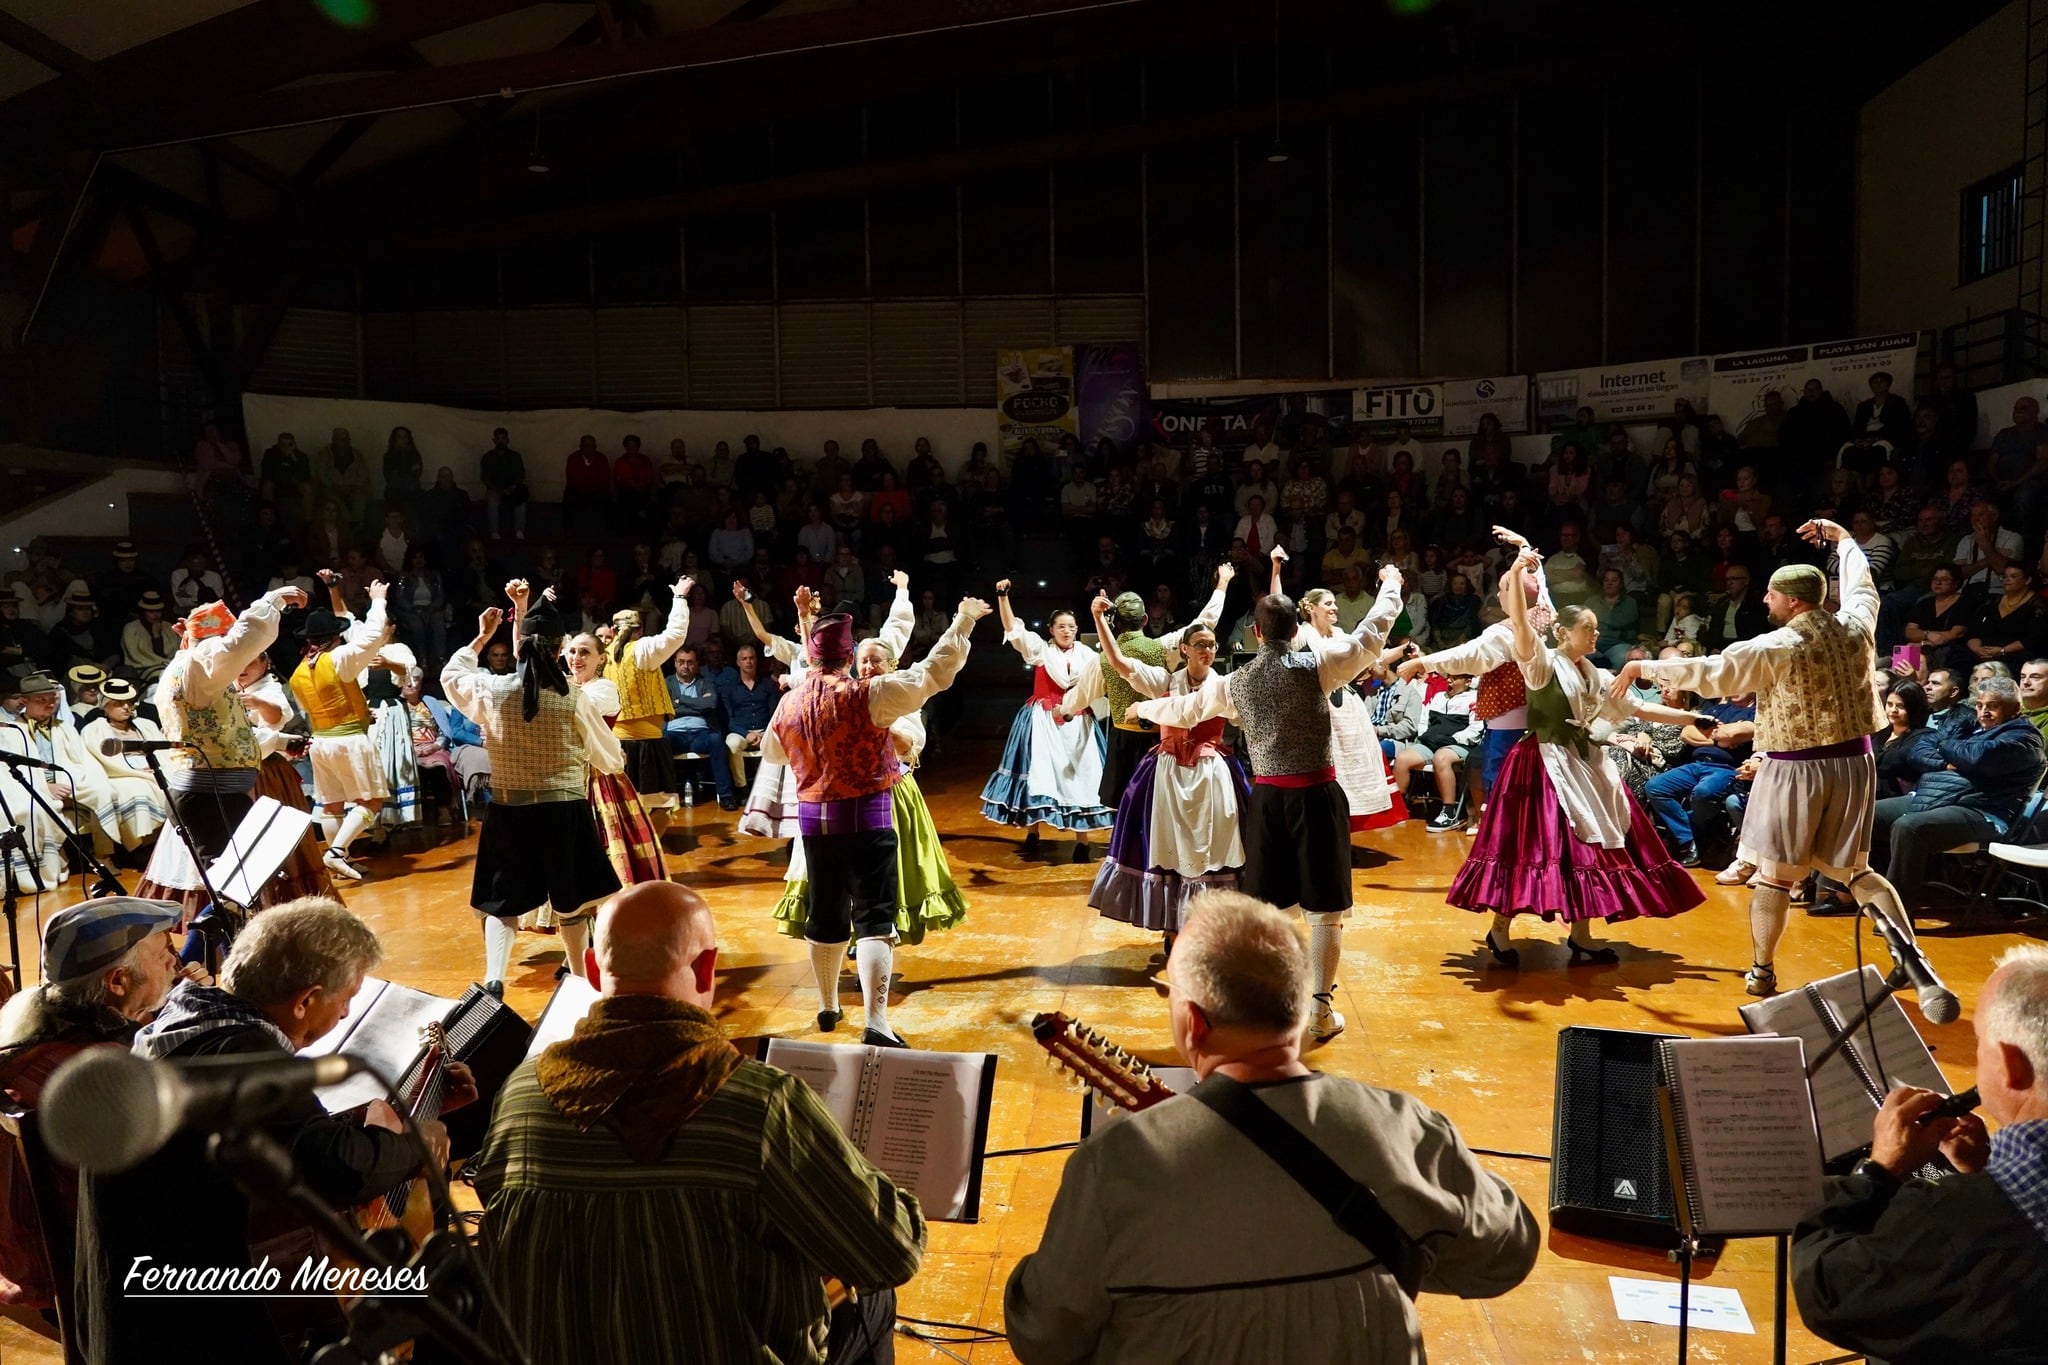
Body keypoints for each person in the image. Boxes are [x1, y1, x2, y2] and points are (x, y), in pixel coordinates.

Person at [1003, 891, 1538, 1365]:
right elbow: (1504, 1258)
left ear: (1193, 1022)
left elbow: (1044, 1336)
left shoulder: (1115, 1163)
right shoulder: (1407, 1126)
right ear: (1299, 1013)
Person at [475, 881, 923, 1364]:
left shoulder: (521, 1094)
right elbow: (891, 1253)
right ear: (707, 967)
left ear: (593, 970)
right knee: (872, 1299)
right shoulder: (761, 1104)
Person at [75, 897, 472, 1365]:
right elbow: (337, 1169)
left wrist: (417, 1108)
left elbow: (289, 1137)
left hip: (136, 1313)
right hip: (186, 1333)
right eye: (345, 1000)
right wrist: (419, 1145)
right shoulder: (245, 1056)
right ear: (304, 1002)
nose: (346, 1015)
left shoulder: (189, 1025)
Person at [1616, 517, 1904, 998]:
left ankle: (1762, 970)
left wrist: (1642, 666)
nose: (1765, 600)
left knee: (1774, 875)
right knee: (1856, 870)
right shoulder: (1856, 625)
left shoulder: (1779, 643)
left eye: (1771, 594)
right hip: (1857, 762)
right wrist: (1846, 542)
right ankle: (1909, 955)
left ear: (1793, 601)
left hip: (1797, 766)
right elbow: (1862, 587)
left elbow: (1715, 671)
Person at [1126, 592, 1389, 1043]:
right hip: (1316, 795)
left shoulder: (1236, 681)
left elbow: (1186, 710)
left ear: (1257, 633)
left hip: (1268, 801)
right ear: (1296, 630)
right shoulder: (1319, 664)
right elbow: (1371, 635)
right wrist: (1391, 588)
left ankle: (1273, 1003)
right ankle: (1320, 1009)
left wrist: (1143, 709)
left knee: (1271, 908)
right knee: (1326, 911)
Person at [1448, 547, 1705, 968]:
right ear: (1563, 633)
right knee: (1526, 849)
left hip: (1583, 764)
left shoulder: (1595, 673)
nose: (1596, 635)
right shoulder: (1541, 665)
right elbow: (1520, 624)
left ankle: (1582, 935)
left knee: (1587, 849)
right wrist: (1517, 568)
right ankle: (1499, 928)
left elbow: (1638, 708)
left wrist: (1692, 715)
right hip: (1540, 765)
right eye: (1589, 629)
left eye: (1597, 629)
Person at [1792, 944, 2048, 1362]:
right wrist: (1982, 1173)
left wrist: (1880, 1171)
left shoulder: (1953, 1220)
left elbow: (1829, 1291)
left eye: (1979, 1042)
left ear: (2009, 1066)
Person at [760, 596, 986, 1044]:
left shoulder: (789, 703)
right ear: (848, 657)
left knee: (825, 914)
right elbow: (932, 673)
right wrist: (962, 621)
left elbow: (772, 752)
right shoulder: (869, 694)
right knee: (874, 918)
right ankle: (876, 1022)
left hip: (815, 824)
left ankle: (828, 1006)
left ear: (811, 657)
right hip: (867, 818)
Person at [0, 899, 184, 1312]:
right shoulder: (96, 1073)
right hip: (88, 1270)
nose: (174, 961)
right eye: (163, 953)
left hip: (22, 1249)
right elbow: (160, 1187)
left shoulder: (26, 1016)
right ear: (118, 980)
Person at [442, 593, 623, 995]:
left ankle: (494, 978)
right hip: (563, 811)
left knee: (500, 901)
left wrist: (481, 637)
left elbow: (451, 676)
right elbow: (610, 758)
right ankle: (578, 982)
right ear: (559, 650)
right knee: (572, 903)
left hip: (509, 809)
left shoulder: (492, 689)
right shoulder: (574, 697)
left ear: (520, 647)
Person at [1086, 595, 1248, 954]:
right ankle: (1173, 926)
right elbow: (1118, 661)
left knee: (1212, 849)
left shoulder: (1224, 685)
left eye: (1212, 645)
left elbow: (1240, 718)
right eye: (1200, 645)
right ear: (1184, 649)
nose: (1207, 651)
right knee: (1169, 851)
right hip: (1169, 774)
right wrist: (1098, 620)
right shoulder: (1164, 680)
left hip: (1210, 775)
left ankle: (1208, 926)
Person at [1398, 526, 1555, 836]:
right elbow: (1542, 585)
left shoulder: (1504, 633)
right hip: (1539, 718)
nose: (1498, 594)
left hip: (1508, 722)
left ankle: (1504, 842)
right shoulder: (1545, 615)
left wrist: (1422, 661)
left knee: (1503, 783)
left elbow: (1465, 657)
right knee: (1533, 785)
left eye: (1504, 589)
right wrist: (1524, 547)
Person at [1058, 567, 1231, 817]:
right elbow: (1204, 623)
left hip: (1124, 741)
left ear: (1115, 622)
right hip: (1159, 739)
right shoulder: (1164, 647)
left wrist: (1064, 709)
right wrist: (1222, 583)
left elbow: (1082, 695)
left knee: (1126, 809)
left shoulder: (1102, 660)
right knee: (1158, 809)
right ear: (1145, 620)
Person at [1874, 676, 2047, 907]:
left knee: (1909, 827)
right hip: (1936, 798)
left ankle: (1896, 911)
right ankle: (1850, 891)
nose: (1983, 712)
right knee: (1866, 814)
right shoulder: (1968, 726)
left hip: (1983, 811)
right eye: (1980, 705)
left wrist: (1944, 745)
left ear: (2015, 708)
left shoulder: (2025, 738)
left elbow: (1978, 757)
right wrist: (1946, 762)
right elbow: (1917, 750)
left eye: (1993, 706)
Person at [981, 585, 1115, 856]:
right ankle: (1033, 831)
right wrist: (1003, 597)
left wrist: (1105, 617)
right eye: (1061, 627)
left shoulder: (1088, 656)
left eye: (1071, 627)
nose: (1067, 631)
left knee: (1082, 776)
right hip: (1044, 721)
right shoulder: (1041, 651)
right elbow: (1013, 629)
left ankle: (1082, 841)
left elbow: (1112, 661)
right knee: (1041, 775)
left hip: (1078, 722)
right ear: (1051, 630)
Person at [291, 576, 394, 881]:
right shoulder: (338, 657)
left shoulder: (298, 672)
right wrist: (378, 601)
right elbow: (373, 635)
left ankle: (341, 861)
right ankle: (336, 852)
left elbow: (313, 708)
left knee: (332, 805)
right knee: (371, 800)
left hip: (321, 742)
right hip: (348, 740)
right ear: (335, 636)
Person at [562, 620, 667, 890]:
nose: (576, 658)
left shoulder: (603, 689)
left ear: (601, 658)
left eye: (585, 652)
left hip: (597, 776)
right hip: (565, 776)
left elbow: (576, 710)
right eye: (572, 651)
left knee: (604, 839)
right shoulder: (564, 686)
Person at [600, 578, 693, 830]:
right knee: (661, 804)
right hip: (648, 743)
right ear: (639, 630)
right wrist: (680, 597)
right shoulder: (643, 649)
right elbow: (676, 634)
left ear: (613, 630)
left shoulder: (602, 656)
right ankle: (649, 846)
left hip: (615, 742)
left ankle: (628, 846)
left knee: (621, 805)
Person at [78, 676, 168, 857]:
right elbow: (97, 761)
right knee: (138, 789)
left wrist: (157, 768)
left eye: (129, 702)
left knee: (174, 784)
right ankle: (141, 848)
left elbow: (164, 754)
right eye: (119, 703)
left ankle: (165, 844)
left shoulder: (146, 725)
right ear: (105, 706)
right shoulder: (93, 730)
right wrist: (137, 772)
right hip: (118, 775)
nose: (126, 707)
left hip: (154, 769)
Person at [480, 427, 529, 540]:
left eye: (503, 438)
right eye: (498, 439)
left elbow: (520, 475)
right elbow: (485, 477)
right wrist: (498, 490)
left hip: (512, 489)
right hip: (494, 489)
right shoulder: (488, 457)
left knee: (521, 501)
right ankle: (494, 532)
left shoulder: (515, 456)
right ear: (494, 441)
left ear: (507, 440)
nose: (500, 441)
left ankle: (519, 530)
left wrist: (512, 488)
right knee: (492, 500)